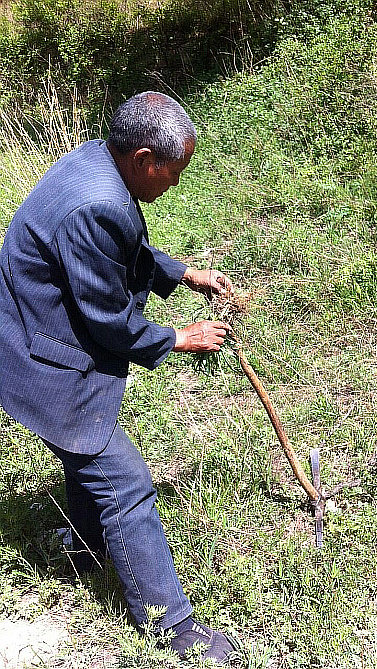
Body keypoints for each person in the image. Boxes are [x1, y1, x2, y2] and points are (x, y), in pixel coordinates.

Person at [0, 92, 237, 663]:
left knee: (86, 454)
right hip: (40, 358)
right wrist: (177, 337)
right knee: (126, 484)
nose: (176, 182)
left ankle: (80, 550)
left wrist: (184, 273)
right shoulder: (96, 203)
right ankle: (172, 627)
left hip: (36, 333)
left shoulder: (99, 163)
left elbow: (121, 249)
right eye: (174, 170)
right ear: (142, 158)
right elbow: (108, 318)